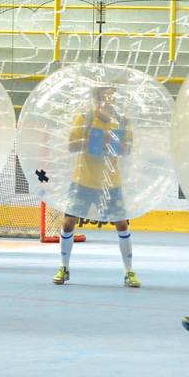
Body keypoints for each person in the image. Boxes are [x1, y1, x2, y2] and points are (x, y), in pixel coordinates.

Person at [53, 86, 139, 288]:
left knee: (122, 225)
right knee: (68, 223)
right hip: (82, 179)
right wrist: (91, 138)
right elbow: (72, 146)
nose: (109, 101)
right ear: (96, 99)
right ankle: (64, 267)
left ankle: (129, 271)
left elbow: (127, 150)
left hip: (110, 182)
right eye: (105, 98)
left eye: (112, 97)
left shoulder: (122, 120)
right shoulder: (85, 118)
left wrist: (113, 141)